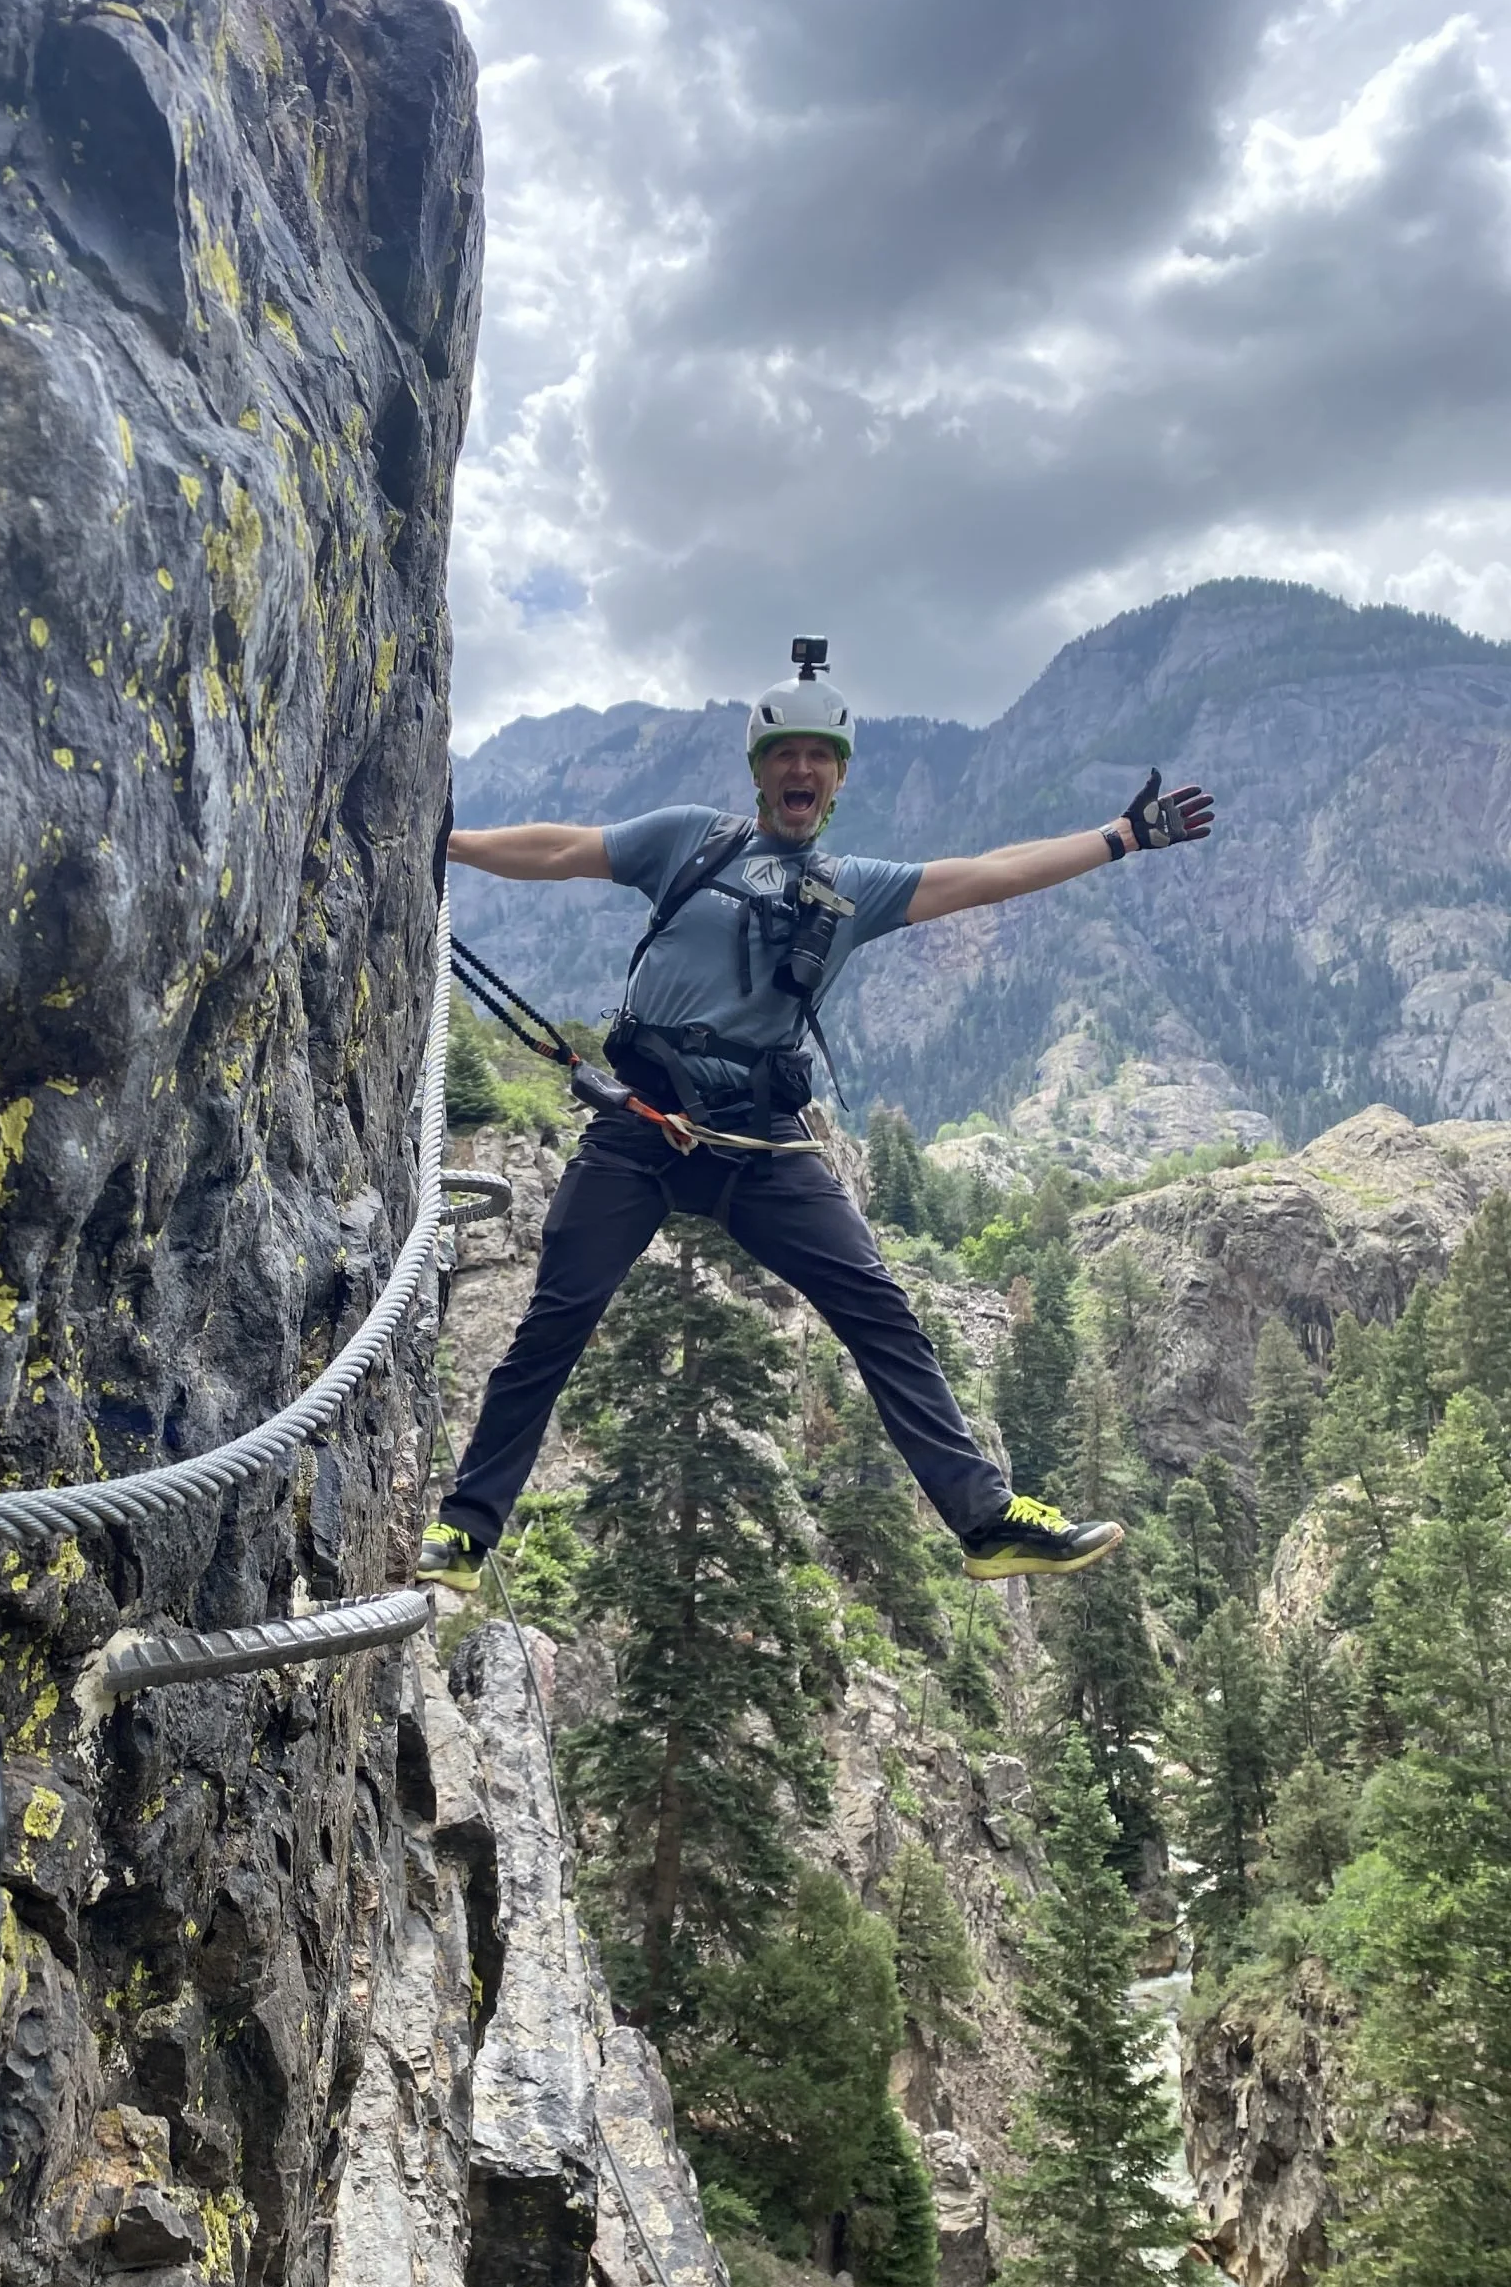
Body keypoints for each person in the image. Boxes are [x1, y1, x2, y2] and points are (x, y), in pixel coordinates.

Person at [419, 642, 1213, 1592]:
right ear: (759, 770)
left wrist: (1120, 838)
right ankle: (466, 1532)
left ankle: (985, 1521)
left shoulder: (856, 888)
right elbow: (561, 847)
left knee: (879, 1309)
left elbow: (990, 873)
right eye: (784, 755)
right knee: (556, 1318)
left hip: (762, 1143)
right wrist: (448, 843)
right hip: (642, 1124)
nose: (801, 771)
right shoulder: (689, 840)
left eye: (819, 759)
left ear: (836, 780)